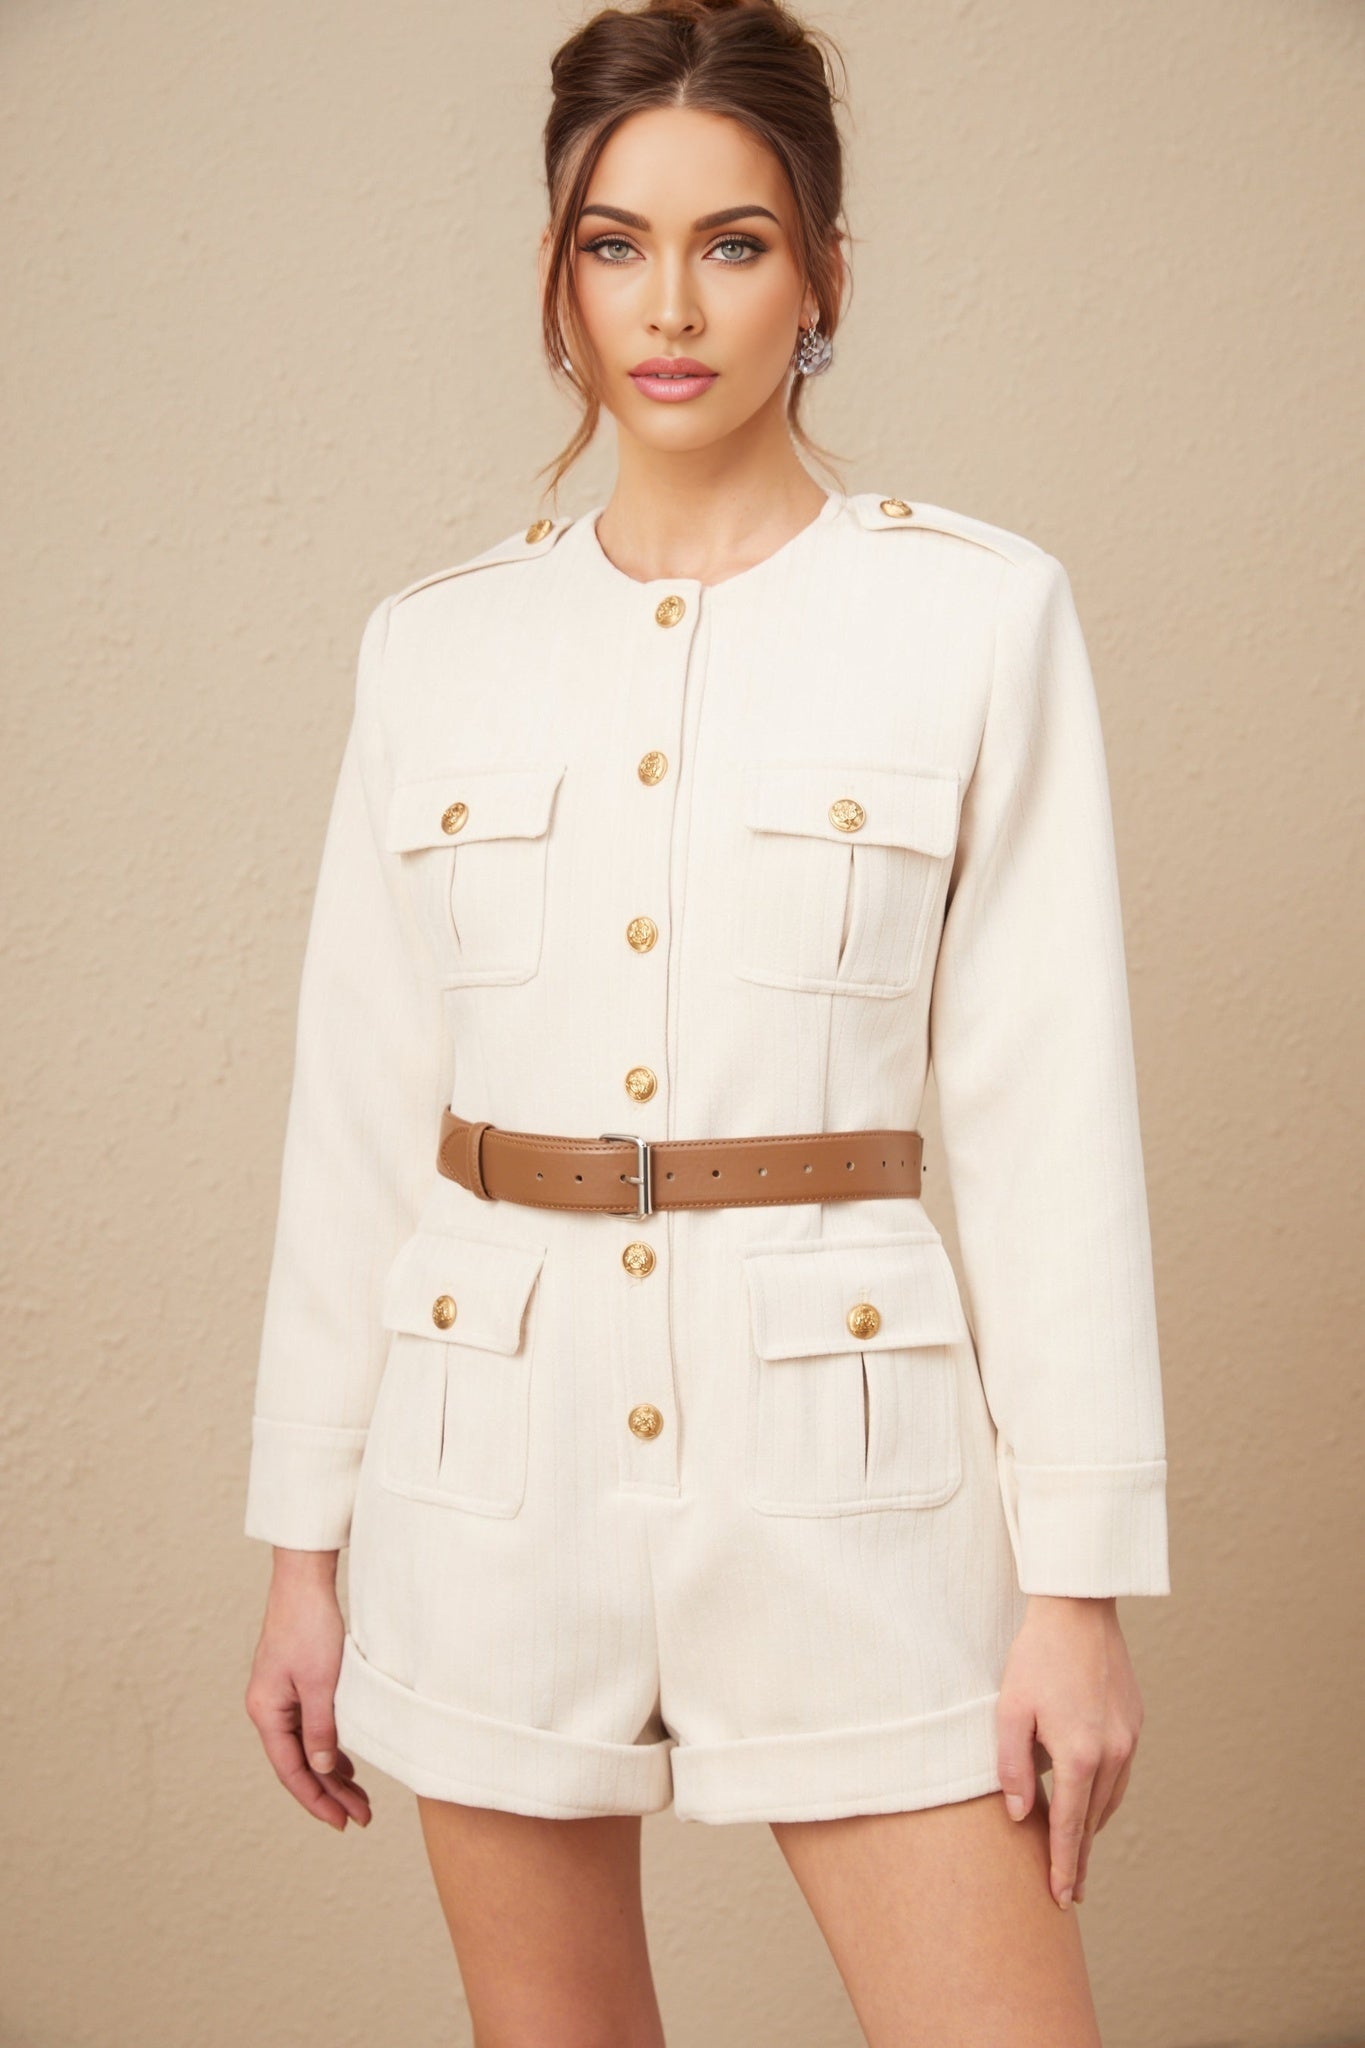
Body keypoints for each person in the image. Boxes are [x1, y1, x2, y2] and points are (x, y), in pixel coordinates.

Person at [242, 0, 1171, 2039]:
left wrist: (1075, 1589)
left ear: (824, 274)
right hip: (485, 1465)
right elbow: (355, 1119)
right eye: (611, 242)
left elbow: (1044, 1117)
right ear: (557, 279)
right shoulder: (437, 652)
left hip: (856, 1467)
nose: (670, 303)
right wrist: (300, 1550)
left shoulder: (971, 616)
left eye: (733, 242)